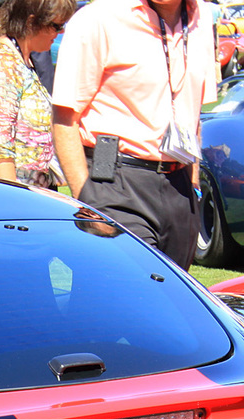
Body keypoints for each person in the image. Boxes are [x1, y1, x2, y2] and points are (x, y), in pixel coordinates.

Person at [51, 0, 216, 269]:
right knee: (125, 298)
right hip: (116, 183)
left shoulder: (201, 18)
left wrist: (193, 187)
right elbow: (64, 118)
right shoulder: (98, 18)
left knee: (173, 303)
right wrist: (88, 200)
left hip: (180, 185)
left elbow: (193, 112)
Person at [0, 0, 73, 185]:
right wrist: (14, 202)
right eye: (56, 26)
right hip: (11, 194)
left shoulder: (20, 60)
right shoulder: (2, 63)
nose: (61, 32)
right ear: (31, 23)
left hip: (31, 192)